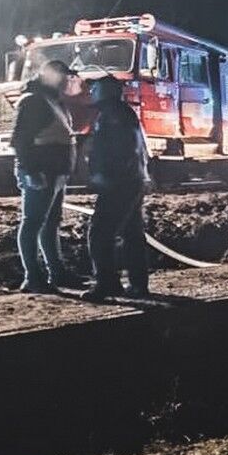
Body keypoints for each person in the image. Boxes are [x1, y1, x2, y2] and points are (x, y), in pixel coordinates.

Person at [10, 59, 85, 294]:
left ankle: (56, 272)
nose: (66, 80)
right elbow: (20, 141)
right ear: (48, 75)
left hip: (55, 172)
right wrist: (30, 171)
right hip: (42, 171)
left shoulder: (53, 101)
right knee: (33, 222)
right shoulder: (33, 102)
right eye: (62, 76)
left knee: (49, 224)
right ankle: (33, 276)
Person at [82, 76, 150, 302]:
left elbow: (119, 149)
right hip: (133, 180)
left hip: (119, 183)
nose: (91, 91)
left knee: (100, 233)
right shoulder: (124, 112)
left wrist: (104, 175)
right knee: (132, 234)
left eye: (94, 88)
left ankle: (107, 283)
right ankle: (138, 285)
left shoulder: (112, 115)